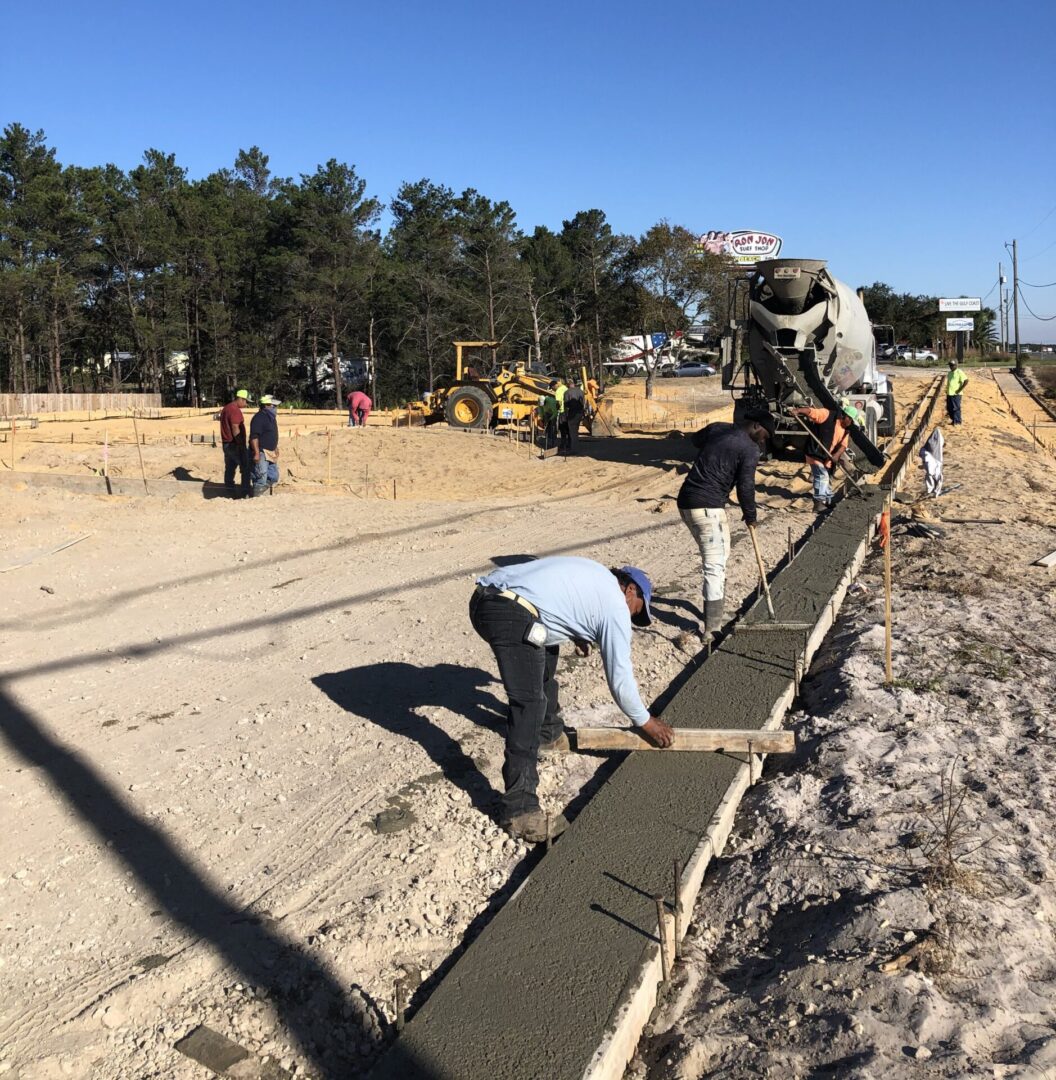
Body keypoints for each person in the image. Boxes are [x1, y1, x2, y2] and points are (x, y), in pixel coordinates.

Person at [470, 557, 674, 841]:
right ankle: (519, 810)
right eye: (636, 609)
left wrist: (577, 632)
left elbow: (559, 600)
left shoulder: (597, 575)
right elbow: (620, 679)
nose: (631, 618)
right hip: (507, 612)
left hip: (488, 598)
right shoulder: (615, 606)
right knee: (529, 704)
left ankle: (547, 734)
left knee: (544, 653)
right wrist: (645, 721)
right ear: (629, 590)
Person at [677, 411, 774, 637]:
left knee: (717, 556)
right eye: (764, 435)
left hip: (685, 502)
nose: (763, 440)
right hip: (707, 506)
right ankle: (711, 629)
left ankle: (716, 613)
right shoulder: (750, 449)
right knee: (715, 564)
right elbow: (746, 487)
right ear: (756, 425)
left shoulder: (719, 429)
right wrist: (750, 515)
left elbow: (695, 440)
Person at [791, 402, 860, 512]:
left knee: (828, 478)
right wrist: (798, 411)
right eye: (850, 420)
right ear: (846, 416)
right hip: (815, 452)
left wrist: (836, 456)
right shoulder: (827, 415)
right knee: (822, 476)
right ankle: (818, 503)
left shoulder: (846, 430)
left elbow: (843, 446)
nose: (851, 423)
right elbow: (811, 412)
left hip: (827, 458)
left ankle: (828, 500)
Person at [219, 389, 251, 498]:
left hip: (227, 443)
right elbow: (235, 427)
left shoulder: (227, 408)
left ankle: (230, 491)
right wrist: (241, 444)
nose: (246, 404)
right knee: (245, 467)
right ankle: (245, 492)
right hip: (234, 444)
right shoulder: (235, 410)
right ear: (241, 399)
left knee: (230, 468)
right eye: (246, 401)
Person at [250, 394, 281, 496]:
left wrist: (275, 446)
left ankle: (261, 492)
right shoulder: (259, 418)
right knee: (261, 477)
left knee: (273, 476)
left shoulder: (271, 417)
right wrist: (256, 453)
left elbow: (271, 433)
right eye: (274, 406)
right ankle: (256, 496)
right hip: (262, 452)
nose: (275, 408)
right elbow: (254, 436)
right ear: (267, 405)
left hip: (270, 452)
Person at [561, 377, 586, 455]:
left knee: (572, 432)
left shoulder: (567, 392)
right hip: (579, 413)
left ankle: (574, 449)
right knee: (576, 430)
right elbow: (583, 403)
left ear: (568, 385)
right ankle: (575, 447)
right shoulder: (581, 391)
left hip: (572, 413)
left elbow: (566, 405)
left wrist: (565, 415)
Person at [920, 427, 944, 497]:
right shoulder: (927, 450)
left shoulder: (938, 441)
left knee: (936, 476)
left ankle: (935, 491)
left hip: (937, 460)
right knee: (930, 474)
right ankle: (930, 490)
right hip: (933, 460)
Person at [946, 359, 968, 425]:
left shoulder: (959, 372)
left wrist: (959, 390)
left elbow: (966, 381)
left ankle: (957, 422)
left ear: (956, 365)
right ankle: (953, 420)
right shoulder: (949, 373)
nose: (951, 367)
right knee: (949, 408)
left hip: (956, 394)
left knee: (956, 408)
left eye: (952, 365)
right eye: (950, 365)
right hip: (949, 393)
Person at [538, 385, 560, 451]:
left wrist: (550, 419)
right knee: (547, 427)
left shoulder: (551, 402)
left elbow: (555, 413)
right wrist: (542, 419)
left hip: (553, 413)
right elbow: (541, 410)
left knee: (552, 427)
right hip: (546, 413)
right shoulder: (540, 401)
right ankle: (547, 440)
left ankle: (554, 440)